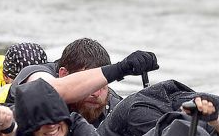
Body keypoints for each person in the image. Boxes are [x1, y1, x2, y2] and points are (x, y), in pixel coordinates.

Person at [15, 38, 158, 127]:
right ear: (64, 74)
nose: (96, 93)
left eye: (102, 85)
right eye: (89, 85)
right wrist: (121, 68)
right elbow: (50, 90)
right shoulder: (35, 74)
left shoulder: (113, 105)